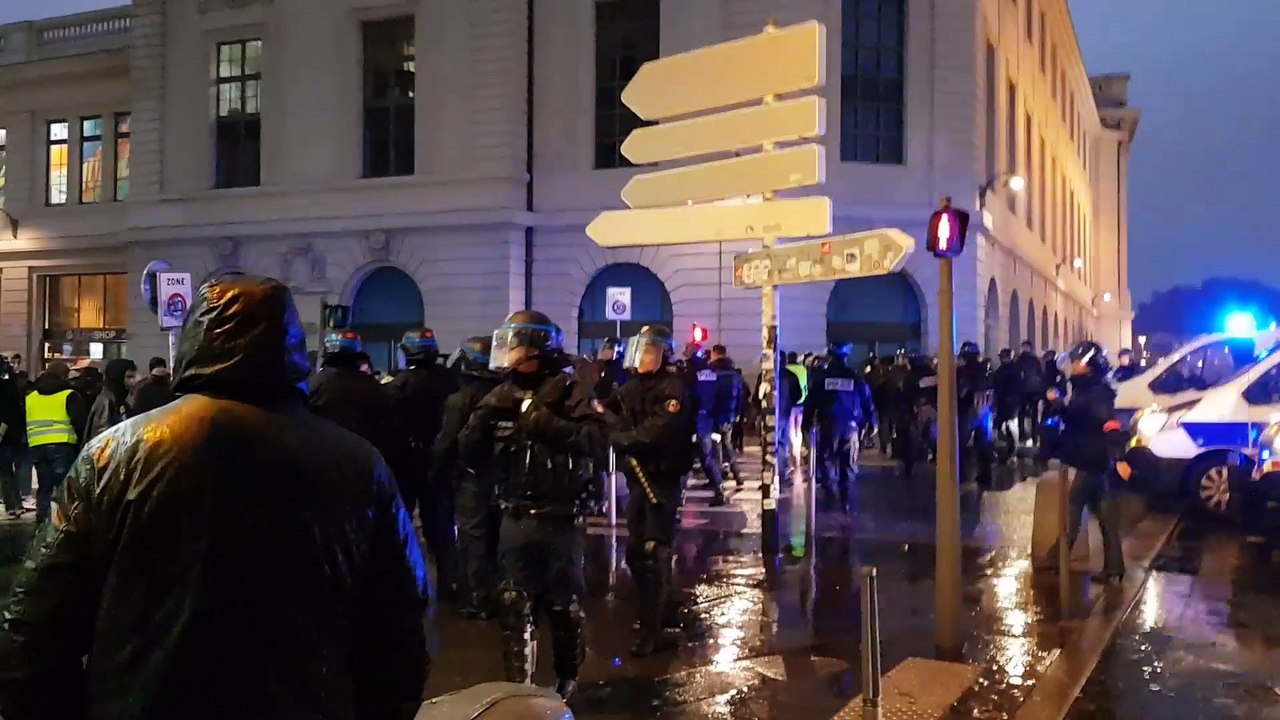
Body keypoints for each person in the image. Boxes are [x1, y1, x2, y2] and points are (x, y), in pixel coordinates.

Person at [0, 274, 430, 719]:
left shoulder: (115, 455)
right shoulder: (359, 465)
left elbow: (33, 628)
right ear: (293, 351)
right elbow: (399, 631)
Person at [458, 311, 608, 700]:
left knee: (562, 607)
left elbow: (595, 439)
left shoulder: (569, 390)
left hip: (560, 517)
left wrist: (544, 423)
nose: (509, 353)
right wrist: (481, 419)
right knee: (513, 603)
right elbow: (470, 453)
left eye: (517, 344)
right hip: (514, 512)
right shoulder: (500, 393)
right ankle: (519, 691)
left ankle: (565, 683)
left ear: (538, 348)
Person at [611, 325, 692, 656]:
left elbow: (654, 431)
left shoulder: (673, 389)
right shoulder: (631, 388)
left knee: (654, 551)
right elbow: (607, 408)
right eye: (640, 350)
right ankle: (656, 610)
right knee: (635, 552)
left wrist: (620, 440)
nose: (642, 357)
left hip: (662, 479)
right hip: (637, 480)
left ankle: (653, 629)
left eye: (649, 351)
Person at [1041, 340, 1129, 585]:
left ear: (1089, 365)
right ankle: (1114, 567)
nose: (1073, 365)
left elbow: (1105, 422)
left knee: (1073, 506)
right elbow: (1080, 417)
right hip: (1095, 458)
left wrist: (1117, 455)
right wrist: (1059, 404)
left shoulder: (1095, 391)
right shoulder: (1089, 387)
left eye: (1077, 361)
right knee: (1105, 513)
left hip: (1093, 457)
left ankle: (1056, 558)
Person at [385, 327, 460, 598]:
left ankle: (405, 585)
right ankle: (450, 583)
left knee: (401, 523)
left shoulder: (397, 385)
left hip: (405, 461)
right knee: (440, 526)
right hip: (440, 460)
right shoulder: (451, 380)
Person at [434, 336, 505, 619]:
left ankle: (478, 599)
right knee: (498, 536)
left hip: (471, 478)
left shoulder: (460, 400)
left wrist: (436, 475)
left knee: (473, 537)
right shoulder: (505, 392)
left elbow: (446, 443)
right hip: (504, 475)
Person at [309, 330, 407, 484]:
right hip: (366, 465)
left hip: (323, 465)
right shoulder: (375, 387)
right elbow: (389, 429)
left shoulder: (315, 385)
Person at [804, 342, 875, 512]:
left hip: (829, 425)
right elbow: (867, 401)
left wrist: (806, 422)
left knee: (826, 460)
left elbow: (811, 401)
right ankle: (845, 499)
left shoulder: (823, 378)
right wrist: (873, 422)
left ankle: (830, 494)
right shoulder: (855, 377)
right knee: (848, 464)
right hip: (851, 428)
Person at [23, 361, 88, 524]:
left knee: (44, 487)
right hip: (63, 445)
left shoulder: (31, 397)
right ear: (64, 376)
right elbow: (80, 422)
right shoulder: (69, 395)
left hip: (37, 445)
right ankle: (63, 524)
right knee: (64, 487)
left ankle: (42, 522)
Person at [681, 343, 726, 506]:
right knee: (708, 459)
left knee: (685, 460)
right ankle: (719, 490)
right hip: (707, 421)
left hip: (693, 421)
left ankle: (679, 497)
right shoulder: (711, 373)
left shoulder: (690, 374)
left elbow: (688, 398)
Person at [708, 344, 744, 487]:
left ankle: (719, 479)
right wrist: (738, 413)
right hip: (729, 415)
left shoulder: (712, 371)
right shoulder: (734, 373)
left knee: (716, 445)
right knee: (726, 442)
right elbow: (742, 395)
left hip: (715, 414)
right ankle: (735, 473)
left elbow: (708, 393)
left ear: (714, 353)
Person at [84, 358, 137, 441]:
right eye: (129, 377)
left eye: (133, 377)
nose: (132, 381)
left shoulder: (123, 400)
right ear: (118, 377)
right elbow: (101, 434)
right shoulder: (106, 401)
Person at [0, 358, 26, 518]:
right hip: (12, 435)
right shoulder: (11, 386)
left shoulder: (5, 387)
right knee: (8, 470)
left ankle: (13, 504)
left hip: (5, 436)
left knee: (5, 471)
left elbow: (7, 413)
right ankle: (15, 503)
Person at [992, 348, 1025, 458]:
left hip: (1011, 402)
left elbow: (1017, 386)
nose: (1001, 359)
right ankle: (1010, 449)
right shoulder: (1004, 369)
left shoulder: (1013, 369)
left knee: (1011, 425)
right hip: (1005, 401)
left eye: (1003, 356)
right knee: (1002, 426)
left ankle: (1013, 449)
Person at [1016, 341, 1045, 444]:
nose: (1024, 349)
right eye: (1023, 347)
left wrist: (1040, 390)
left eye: (1025, 347)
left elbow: (1040, 375)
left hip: (1032, 390)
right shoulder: (1020, 360)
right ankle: (1022, 433)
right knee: (1022, 413)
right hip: (1024, 390)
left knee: (1033, 414)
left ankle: (1033, 434)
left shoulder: (1034, 360)